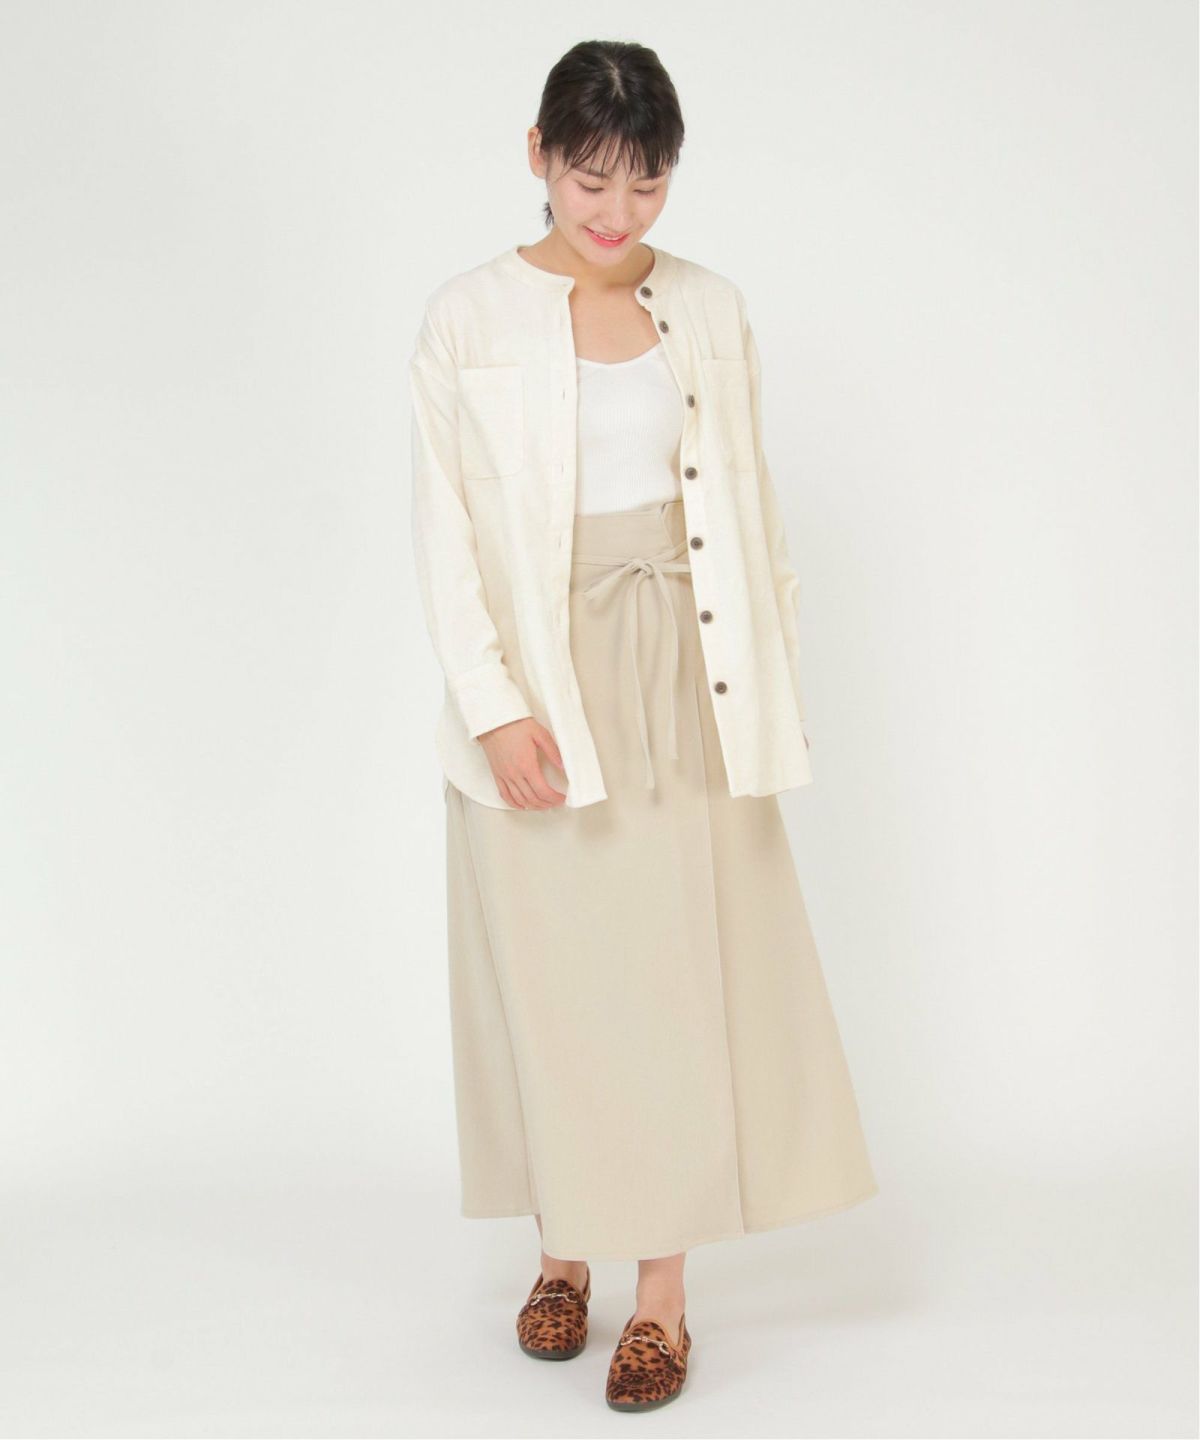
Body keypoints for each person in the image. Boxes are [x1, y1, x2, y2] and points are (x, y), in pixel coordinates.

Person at [408, 38, 879, 1413]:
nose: (616, 212)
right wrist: (496, 709)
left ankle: (661, 1297)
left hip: (686, 673)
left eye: (647, 183)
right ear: (540, 156)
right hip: (544, 682)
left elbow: (753, 512)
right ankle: (563, 1254)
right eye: (590, 178)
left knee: (670, 988)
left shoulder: (711, 309)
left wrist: (769, 694)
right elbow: (444, 533)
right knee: (552, 983)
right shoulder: (467, 318)